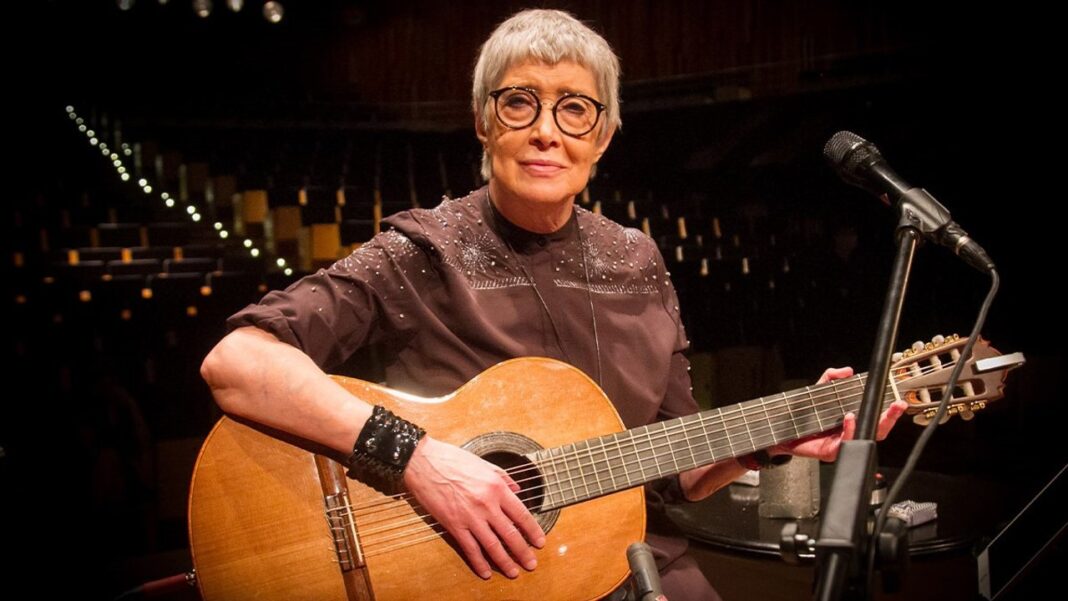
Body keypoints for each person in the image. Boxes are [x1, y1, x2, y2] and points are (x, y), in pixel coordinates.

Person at [200, 9, 906, 601]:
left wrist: (773, 434)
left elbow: (680, 471)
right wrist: (417, 457)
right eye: (519, 102)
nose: (547, 130)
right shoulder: (424, 250)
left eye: (575, 108)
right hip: (474, 577)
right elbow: (237, 363)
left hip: (628, 565)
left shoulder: (639, 260)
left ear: (601, 135)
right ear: (484, 123)